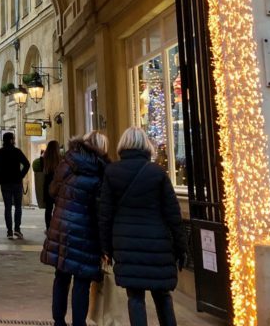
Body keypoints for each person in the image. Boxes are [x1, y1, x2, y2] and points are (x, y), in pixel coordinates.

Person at [99, 127, 188, 326]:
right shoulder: (157, 172)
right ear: (145, 145)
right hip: (158, 242)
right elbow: (173, 213)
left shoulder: (112, 172)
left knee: (135, 297)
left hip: (126, 243)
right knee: (162, 295)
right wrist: (181, 247)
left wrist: (105, 247)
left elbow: (105, 214)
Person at [41, 130, 109, 326]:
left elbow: (53, 191)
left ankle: (58, 321)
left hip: (62, 227)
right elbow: (100, 210)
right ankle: (79, 323)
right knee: (82, 280)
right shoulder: (101, 170)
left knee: (61, 276)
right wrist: (105, 245)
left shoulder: (67, 162)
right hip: (86, 232)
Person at [0, 131, 30, 239]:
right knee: (18, 207)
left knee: (7, 207)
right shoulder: (17, 151)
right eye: (13, 138)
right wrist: (21, 175)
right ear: (12, 140)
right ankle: (17, 229)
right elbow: (27, 164)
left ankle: (9, 231)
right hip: (16, 183)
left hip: (5, 183)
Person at [41, 139, 61, 230]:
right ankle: (56, 227)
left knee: (48, 209)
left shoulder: (43, 159)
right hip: (58, 186)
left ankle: (48, 227)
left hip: (47, 185)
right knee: (58, 208)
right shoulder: (61, 159)